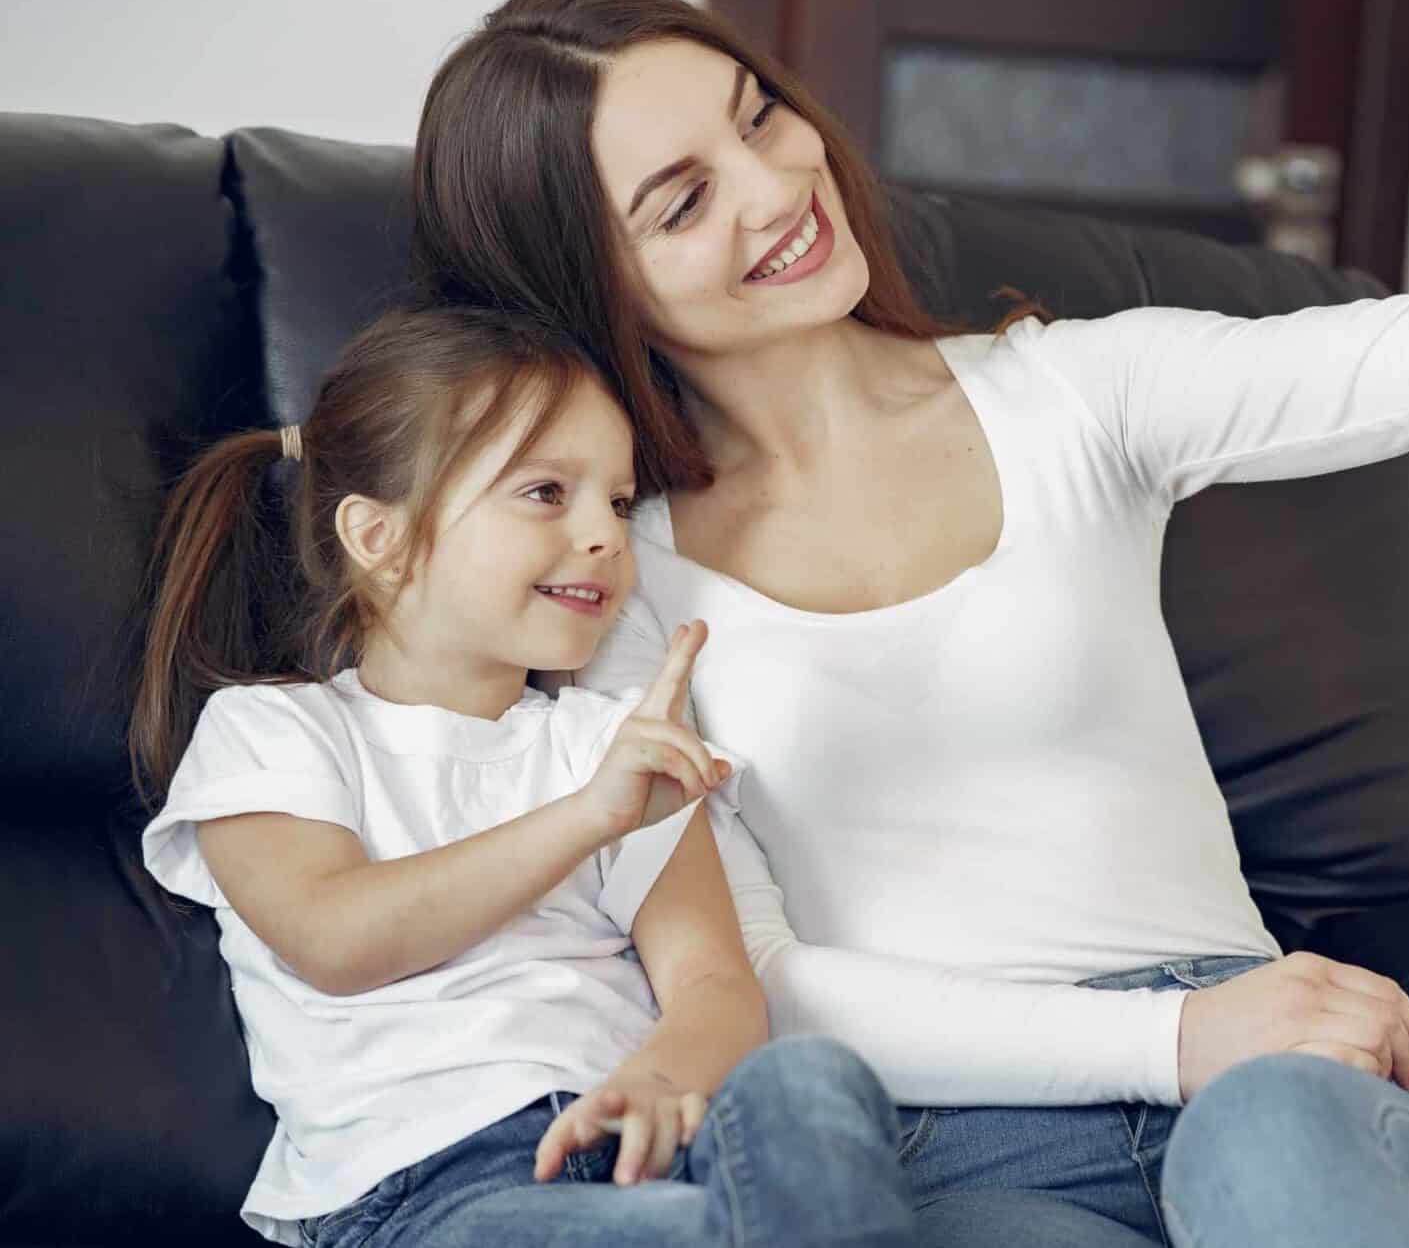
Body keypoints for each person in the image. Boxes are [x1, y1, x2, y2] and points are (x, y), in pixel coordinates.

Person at [409, 0, 1409, 1248]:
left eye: (760, 116)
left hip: (1276, 1080)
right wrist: (1172, 1041)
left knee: (1270, 1140)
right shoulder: (618, 588)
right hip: (967, 1144)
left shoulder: (1069, 394)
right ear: (592, 286)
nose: (777, 187)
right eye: (682, 202)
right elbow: (764, 978)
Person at [130, 305, 916, 1248]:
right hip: (436, 1194)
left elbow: (713, 979)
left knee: (817, 1083)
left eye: (620, 504)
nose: (606, 537)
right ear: (378, 540)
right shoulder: (274, 731)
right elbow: (335, 938)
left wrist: (664, 1077)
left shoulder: (606, 744)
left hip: (648, 1157)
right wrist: (586, 817)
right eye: (547, 492)